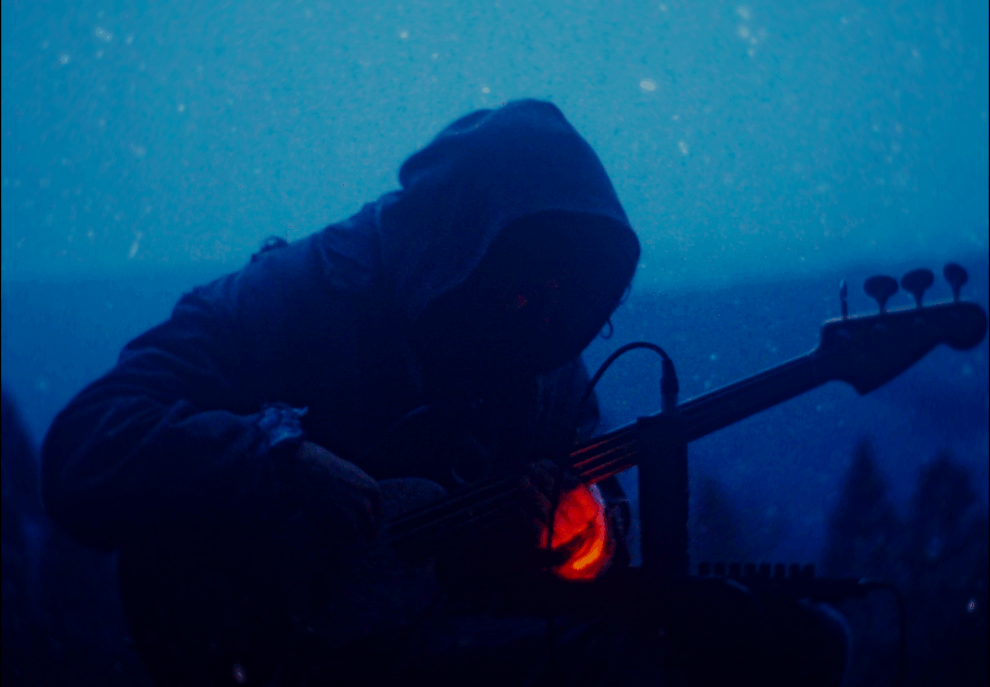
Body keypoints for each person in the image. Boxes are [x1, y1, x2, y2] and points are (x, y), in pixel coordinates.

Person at [41, 100, 847, 686]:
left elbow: (577, 544)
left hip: (445, 645)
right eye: (523, 287)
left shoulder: (545, 360)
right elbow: (86, 447)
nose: (544, 315)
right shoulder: (286, 301)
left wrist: (580, 532)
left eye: (568, 295)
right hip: (256, 652)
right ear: (462, 251)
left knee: (779, 641)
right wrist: (278, 457)